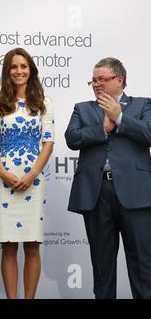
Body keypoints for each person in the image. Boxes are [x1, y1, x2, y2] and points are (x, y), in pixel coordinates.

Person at [65, 57, 151, 299]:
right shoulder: (82, 108)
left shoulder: (143, 105)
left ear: (119, 80)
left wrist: (120, 118)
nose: (96, 84)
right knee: (102, 266)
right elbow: (72, 138)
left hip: (136, 194)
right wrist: (103, 129)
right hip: (97, 193)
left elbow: (149, 133)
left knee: (143, 264)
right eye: (93, 80)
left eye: (102, 79)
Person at [0, 48, 54, 299]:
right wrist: (2, 172)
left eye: (23, 66)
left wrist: (33, 174)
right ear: (7, 71)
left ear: (31, 69)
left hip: (33, 182)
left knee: (33, 246)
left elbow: (48, 141)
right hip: (5, 182)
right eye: (14, 67)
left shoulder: (44, 103)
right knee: (8, 246)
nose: (19, 71)